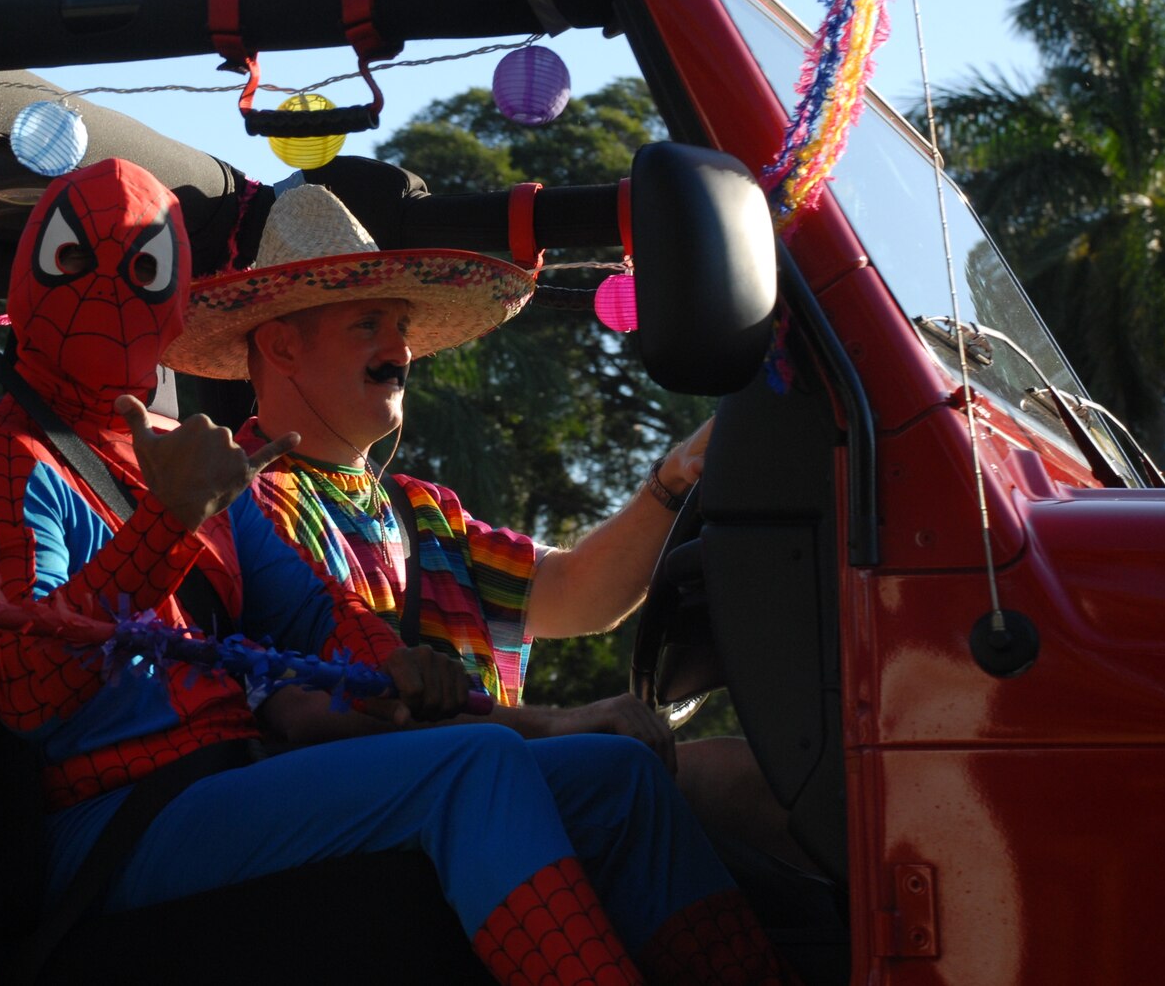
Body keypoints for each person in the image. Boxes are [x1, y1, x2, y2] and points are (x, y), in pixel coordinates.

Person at [0, 157, 799, 986]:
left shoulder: (196, 464)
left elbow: (316, 613)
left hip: (233, 779)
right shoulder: (2, 460)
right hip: (121, 808)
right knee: (475, 764)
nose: (111, 296)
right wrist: (166, 521)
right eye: (77, 263)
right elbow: (27, 689)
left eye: (143, 272)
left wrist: (390, 659)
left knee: (619, 776)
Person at [161, 181, 807, 871]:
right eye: (368, 324)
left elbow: (575, 591)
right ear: (282, 345)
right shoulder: (246, 505)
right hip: (390, 834)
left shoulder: (421, 508)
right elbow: (336, 711)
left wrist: (672, 480)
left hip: (490, 791)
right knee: (706, 782)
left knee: (740, 779)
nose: (399, 351)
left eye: (402, 328)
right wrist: (563, 725)